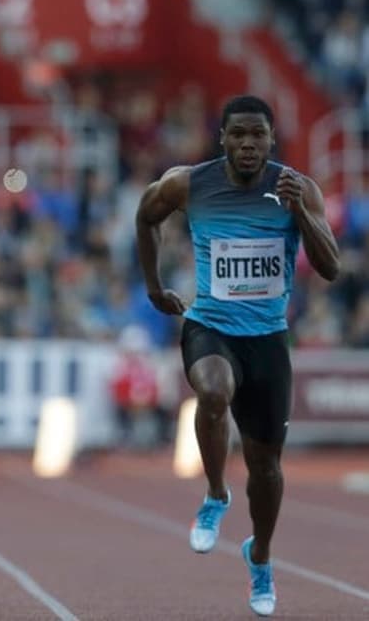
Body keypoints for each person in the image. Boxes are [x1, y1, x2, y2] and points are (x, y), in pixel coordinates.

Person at [136, 95, 339, 617]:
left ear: (272, 140)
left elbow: (331, 267)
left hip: (268, 340)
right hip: (211, 327)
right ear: (222, 138)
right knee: (212, 391)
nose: (249, 145)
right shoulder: (191, 183)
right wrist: (155, 286)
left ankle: (261, 556)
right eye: (239, 135)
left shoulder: (297, 188)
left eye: (259, 136)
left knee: (267, 469)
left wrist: (302, 215)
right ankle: (215, 494)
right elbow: (146, 214)